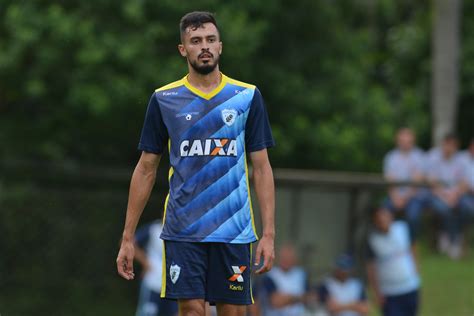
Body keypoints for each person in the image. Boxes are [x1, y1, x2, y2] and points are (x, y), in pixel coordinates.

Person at [116, 11, 276, 316]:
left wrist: (268, 234)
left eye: (210, 40)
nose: (204, 46)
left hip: (233, 230)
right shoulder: (164, 99)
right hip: (183, 230)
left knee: (233, 312)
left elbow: (263, 167)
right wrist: (127, 237)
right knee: (190, 311)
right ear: (183, 49)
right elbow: (146, 168)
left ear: (220, 46)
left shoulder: (246, 97)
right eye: (196, 40)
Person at [366, 207, 421, 316]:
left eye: (385, 216)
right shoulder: (372, 240)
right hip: (389, 293)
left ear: (391, 217)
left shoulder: (403, 228)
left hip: (410, 287)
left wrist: (416, 268)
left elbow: (413, 245)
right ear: (375, 221)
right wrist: (376, 293)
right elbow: (371, 268)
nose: (383, 220)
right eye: (379, 219)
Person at [426, 134, 470, 259]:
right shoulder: (433, 157)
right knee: (444, 209)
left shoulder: (461, 160)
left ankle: (453, 236)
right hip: (437, 196)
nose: (449, 148)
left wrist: (455, 195)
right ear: (443, 145)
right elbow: (432, 183)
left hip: (456, 195)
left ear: (456, 147)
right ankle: (453, 240)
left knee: (467, 209)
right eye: (447, 145)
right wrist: (445, 197)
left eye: (452, 146)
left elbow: (465, 183)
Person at [383, 127, 426, 239]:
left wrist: (404, 198)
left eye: (408, 141)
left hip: (414, 197)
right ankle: (389, 242)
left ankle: (411, 243)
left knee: (413, 216)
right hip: (394, 197)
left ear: (413, 142)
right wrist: (395, 198)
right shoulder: (390, 157)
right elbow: (390, 181)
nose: (405, 144)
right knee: (382, 213)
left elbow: (417, 182)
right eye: (402, 141)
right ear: (397, 142)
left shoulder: (419, 156)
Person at [134, 220, 178, 316]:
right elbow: (130, 243)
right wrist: (145, 263)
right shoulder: (153, 229)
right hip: (153, 282)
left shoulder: (181, 232)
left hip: (173, 285)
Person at [260, 244, 316, 316]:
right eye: (284, 257)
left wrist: (286, 299)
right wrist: (299, 298)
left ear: (295, 259)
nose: (286, 260)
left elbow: (311, 297)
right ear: (278, 258)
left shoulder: (301, 274)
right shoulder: (270, 275)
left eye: (289, 257)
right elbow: (276, 302)